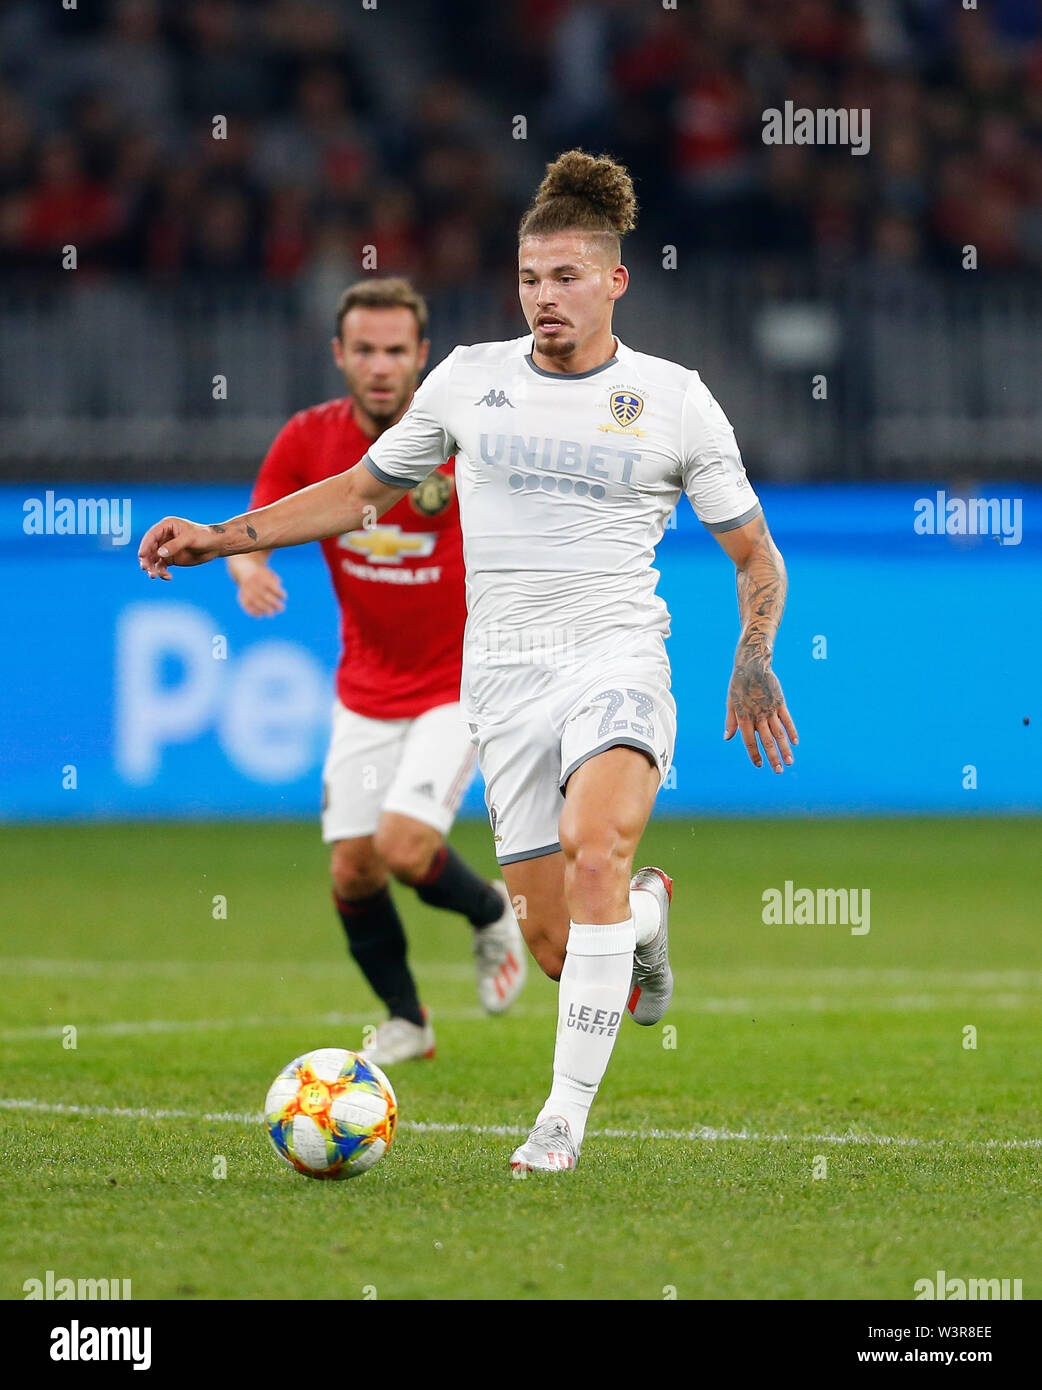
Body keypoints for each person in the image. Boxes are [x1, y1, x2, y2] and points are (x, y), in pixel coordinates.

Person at [139, 150, 797, 1171]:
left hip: (616, 657)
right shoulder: (467, 382)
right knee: (553, 942)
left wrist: (751, 656)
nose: (545, 296)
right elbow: (359, 493)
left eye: (568, 275)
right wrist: (226, 536)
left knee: (594, 853)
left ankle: (559, 1120)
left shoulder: (673, 400)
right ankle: (648, 915)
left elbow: (754, 552)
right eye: (531, 277)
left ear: (616, 280)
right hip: (501, 683)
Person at [226, 277, 525, 1066]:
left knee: (401, 843)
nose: (382, 365)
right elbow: (262, 517)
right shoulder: (307, 439)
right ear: (340, 355)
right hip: (364, 688)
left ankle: (493, 911)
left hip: (455, 684)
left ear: (423, 356)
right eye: (366, 350)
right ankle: (409, 1019)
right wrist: (246, 569)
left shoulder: (465, 439)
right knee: (353, 868)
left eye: (397, 350)